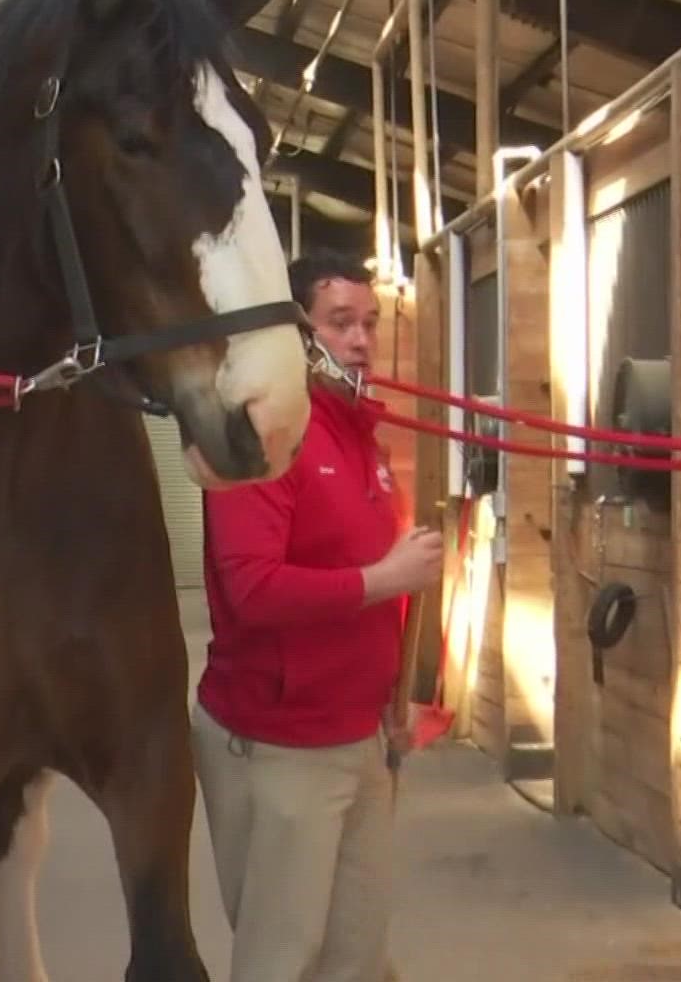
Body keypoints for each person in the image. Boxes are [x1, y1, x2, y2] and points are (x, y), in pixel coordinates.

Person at [191, 250, 445, 982]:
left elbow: (361, 583)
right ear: (297, 334)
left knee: (358, 961)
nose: (363, 341)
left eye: (369, 323)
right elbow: (254, 591)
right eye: (341, 324)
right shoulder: (260, 437)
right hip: (282, 747)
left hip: (362, 738)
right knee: (283, 961)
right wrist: (384, 576)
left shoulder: (357, 432)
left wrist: (392, 698)